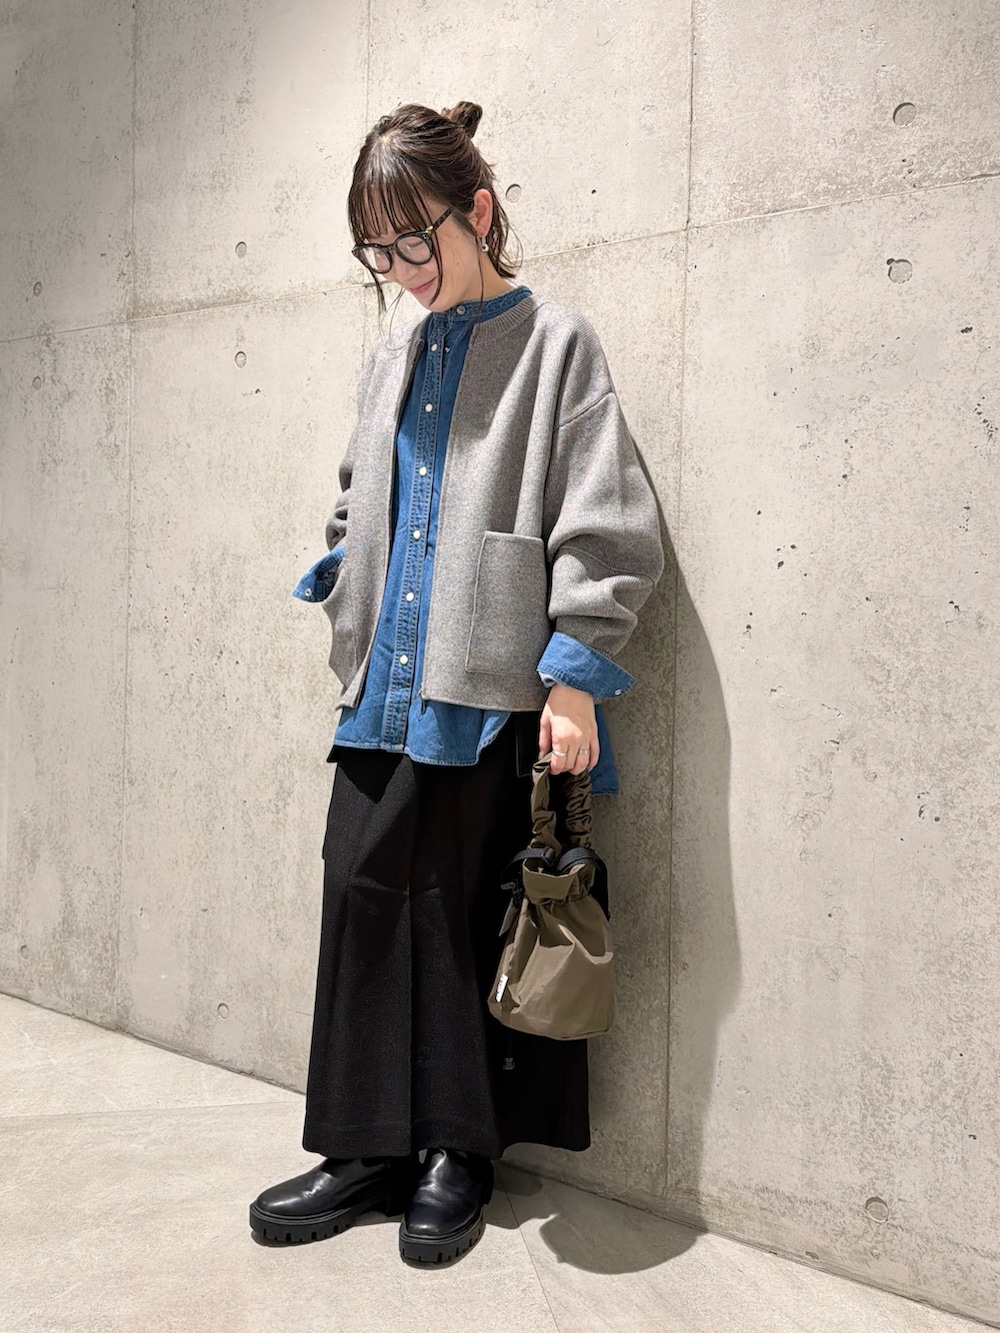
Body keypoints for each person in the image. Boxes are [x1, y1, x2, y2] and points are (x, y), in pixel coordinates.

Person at [249, 100, 663, 1265]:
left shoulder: (557, 345)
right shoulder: (393, 345)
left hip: (490, 687)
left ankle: (454, 1156)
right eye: (375, 252)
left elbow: (606, 519)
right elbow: (356, 483)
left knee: (460, 908)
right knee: (361, 894)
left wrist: (575, 679)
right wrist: (346, 569)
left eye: (412, 240)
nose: (398, 268)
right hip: (384, 679)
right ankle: (363, 1149)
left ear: (476, 211)